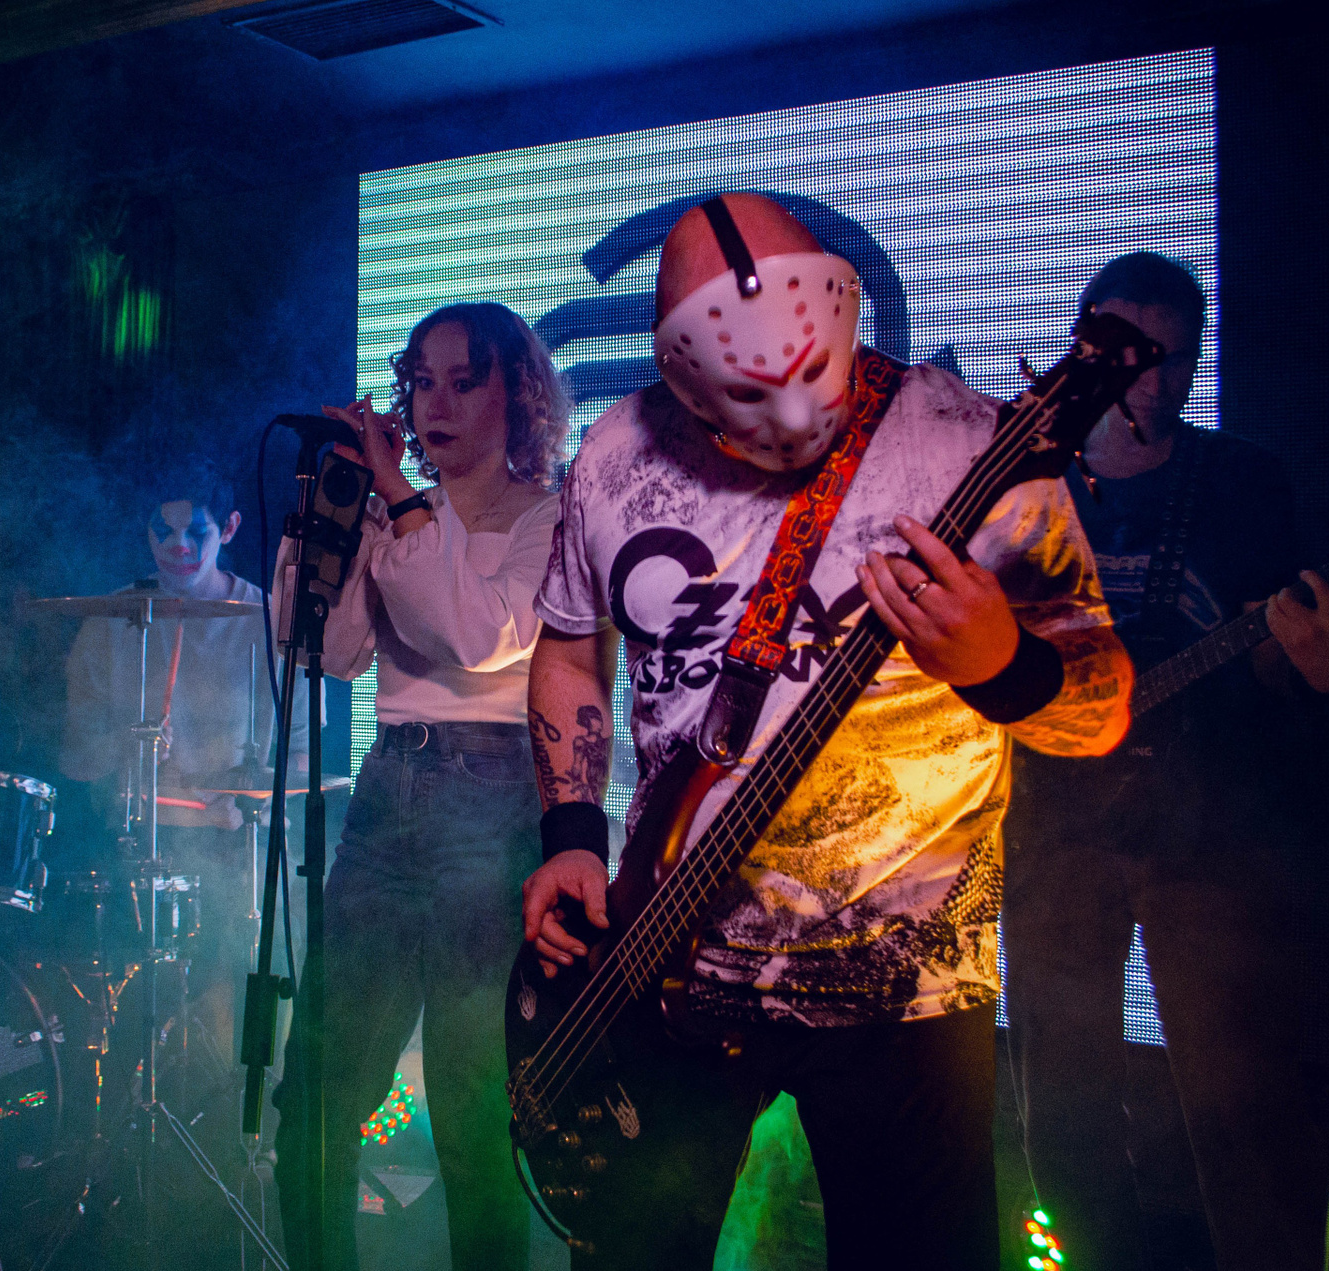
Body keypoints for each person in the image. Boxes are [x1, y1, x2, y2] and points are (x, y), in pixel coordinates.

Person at [518, 193, 1133, 1269]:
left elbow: (1103, 708)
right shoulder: (615, 454)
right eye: (748, 406)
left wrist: (1004, 663)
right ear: (682, 382)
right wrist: (570, 826)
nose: (794, 423)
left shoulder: (968, 443)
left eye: (817, 380)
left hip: (907, 990)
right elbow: (571, 643)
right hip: (667, 962)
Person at [1000, 251, 1329, 1271]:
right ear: (1084, 351)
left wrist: (1319, 666)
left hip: (1205, 834)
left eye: (1180, 359)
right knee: (1062, 1097)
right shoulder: (1019, 481)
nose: (1156, 383)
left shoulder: (1242, 480)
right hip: (1050, 830)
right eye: (1134, 358)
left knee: (1239, 1099)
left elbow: (1276, 668)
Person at [272, 302, 570, 1271]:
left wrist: (401, 496)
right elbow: (328, 650)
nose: (434, 404)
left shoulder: (549, 514)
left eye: (462, 382)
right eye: (421, 383)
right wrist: (332, 512)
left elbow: (481, 637)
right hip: (388, 792)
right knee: (316, 1094)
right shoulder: (394, 512)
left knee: (471, 1111)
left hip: (493, 800)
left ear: (515, 392)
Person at [61, 460, 309, 1067]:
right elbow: (74, 759)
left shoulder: (269, 619)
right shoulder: (109, 620)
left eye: (195, 532)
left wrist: (249, 799)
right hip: (133, 847)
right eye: (162, 531)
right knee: (123, 1035)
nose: (178, 546)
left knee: (238, 1037)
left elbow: (304, 757)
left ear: (230, 528)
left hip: (237, 849)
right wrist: (124, 744)